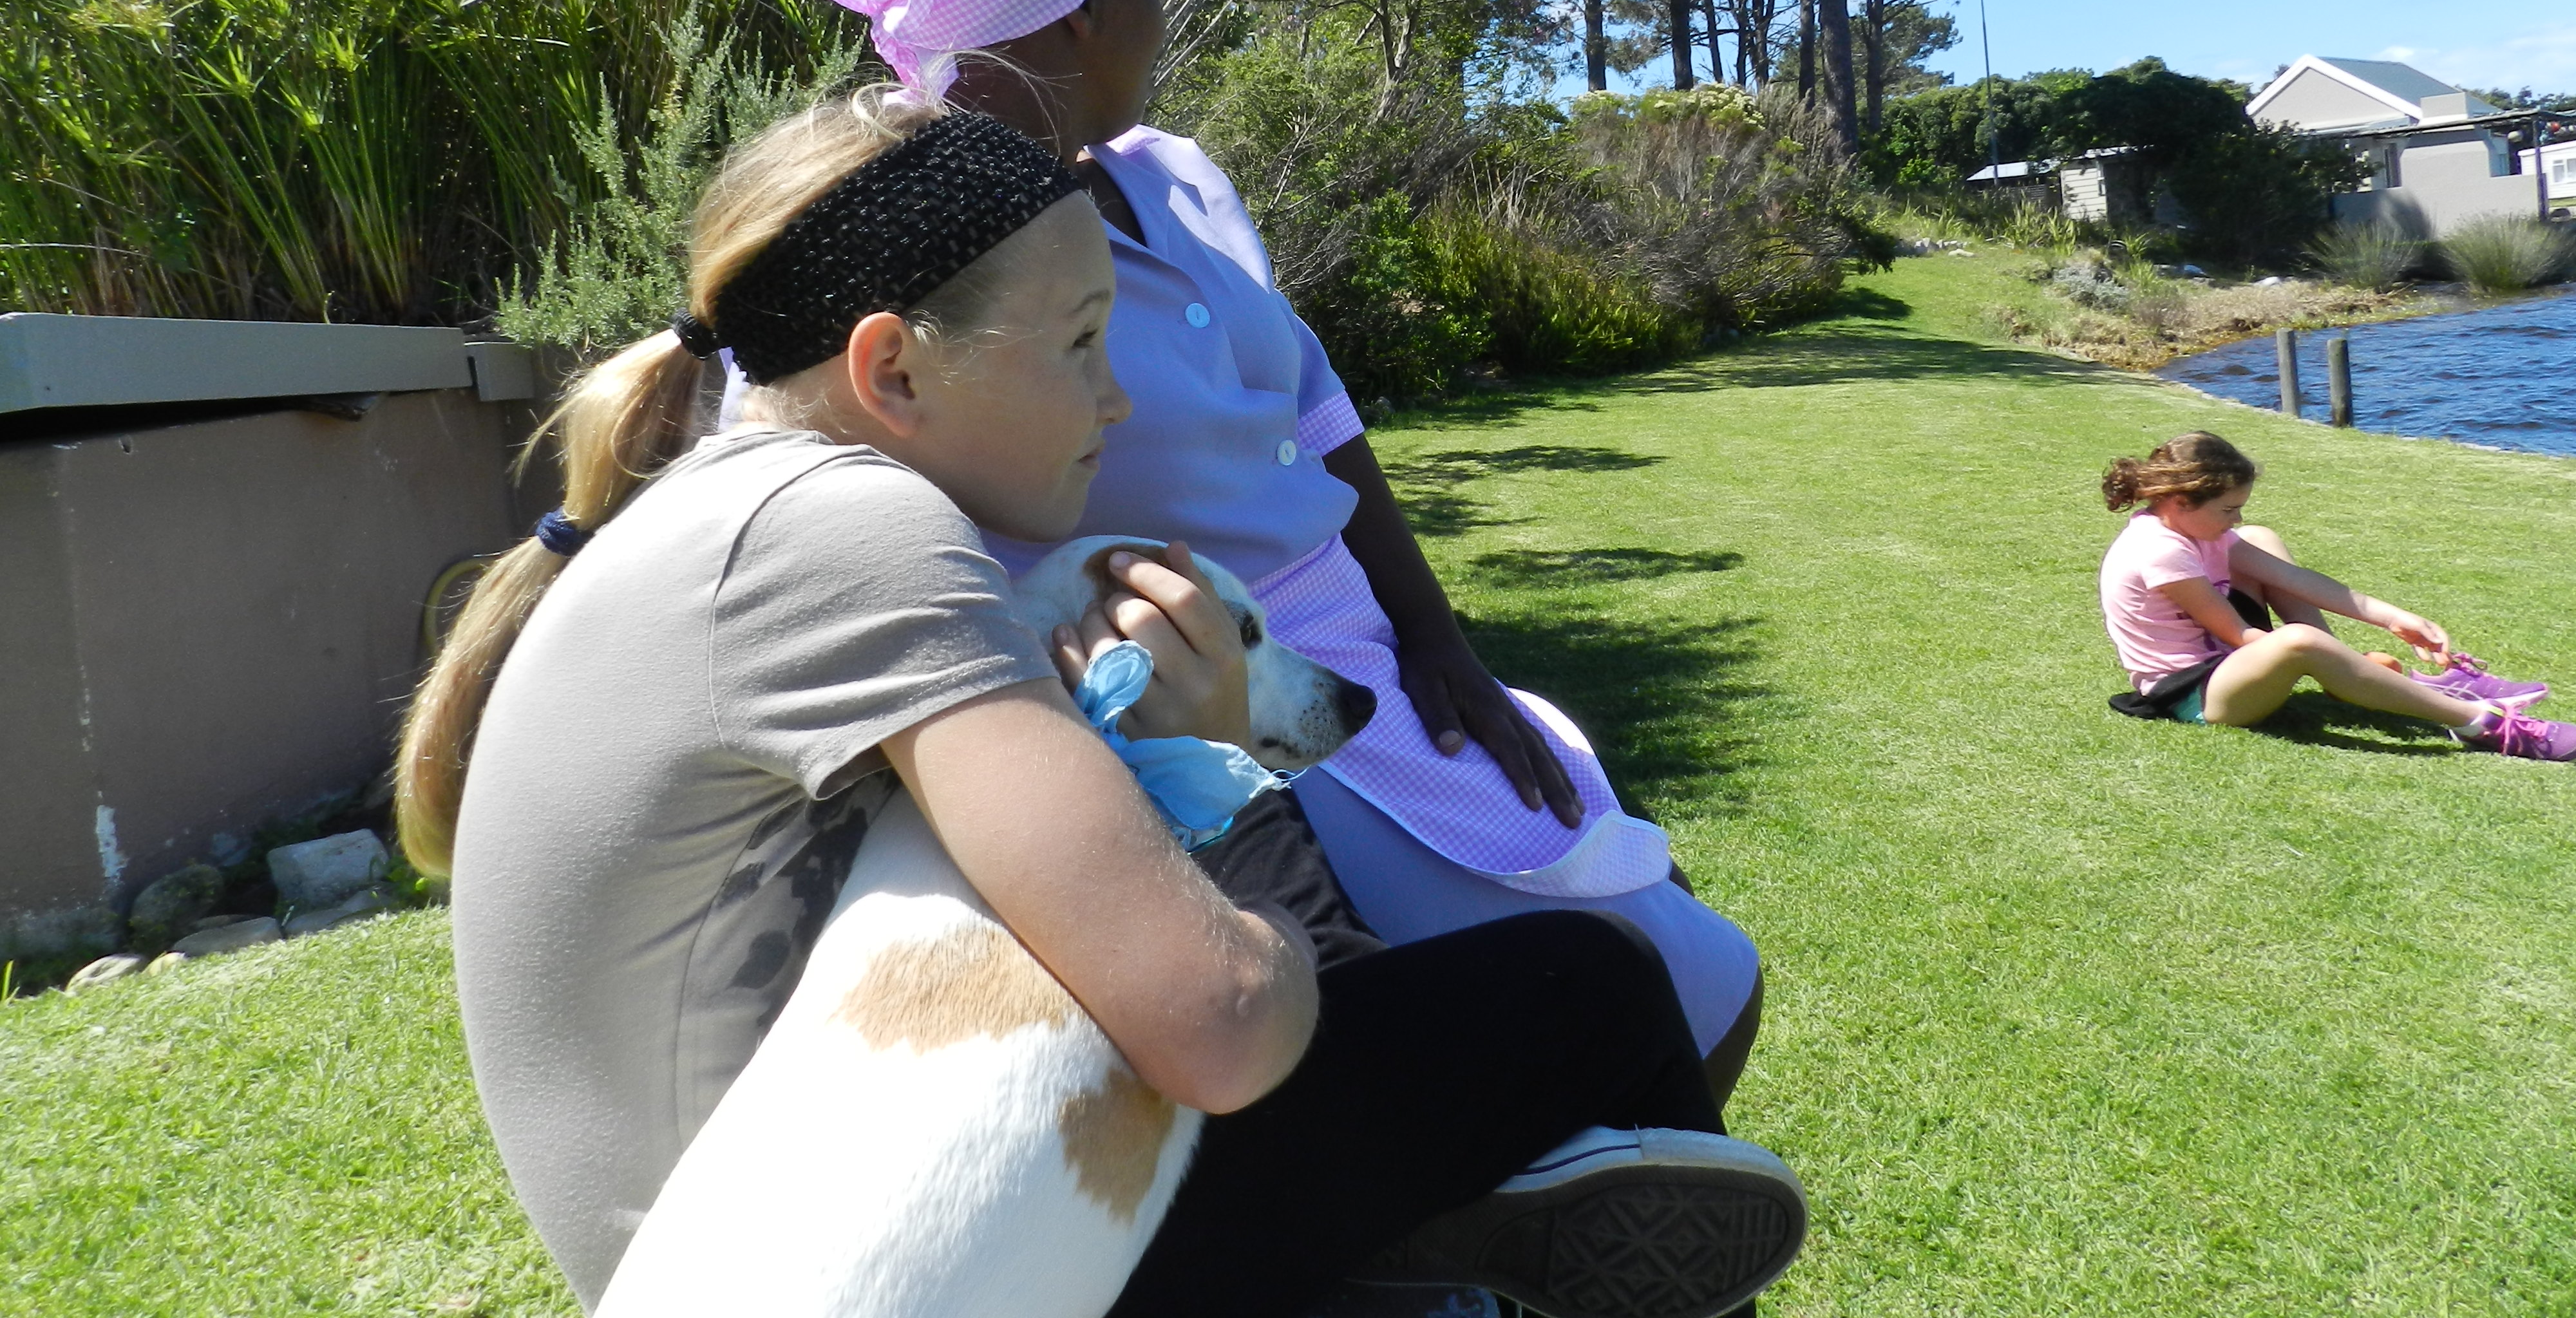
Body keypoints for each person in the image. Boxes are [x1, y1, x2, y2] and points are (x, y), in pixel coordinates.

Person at [398, 89, 1806, 1318]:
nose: (1115, 400)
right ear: (891, 369)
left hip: (882, 1234)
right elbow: (1219, 1020)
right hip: (888, 1268)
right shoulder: (846, 531)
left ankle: (1425, 1248)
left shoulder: (726, 513)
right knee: (1590, 989)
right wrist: (1218, 781)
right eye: (1080, 341)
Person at [787, 0, 1766, 1119]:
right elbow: (804, 479)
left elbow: (1314, 407)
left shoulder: (1176, 177)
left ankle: (1534, 1211)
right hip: (1216, 700)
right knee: (1673, 988)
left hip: (1370, 656)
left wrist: (1438, 638)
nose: (1161, 9)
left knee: (1663, 937)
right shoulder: (918, 256)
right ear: (1078, 11)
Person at [2098, 431, 2571, 758]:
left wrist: (2393, 617)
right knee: (2301, 642)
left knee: (2261, 539)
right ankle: (2481, 724)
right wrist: (2332, 658)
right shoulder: (2161, 551)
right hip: (2198, 697)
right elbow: (2240, 635)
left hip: (2226, 663)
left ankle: (2353, 680)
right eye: (2229, 509)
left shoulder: (2198, 530)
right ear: (2181, 501)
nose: (2235, 519)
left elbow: (2296, 580)